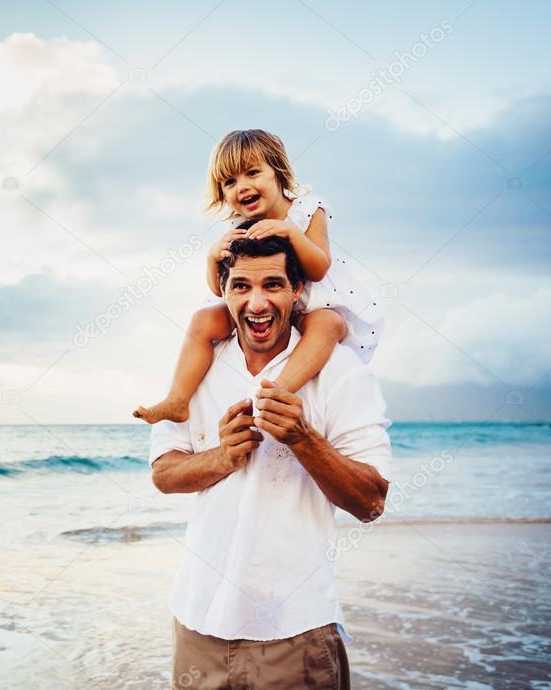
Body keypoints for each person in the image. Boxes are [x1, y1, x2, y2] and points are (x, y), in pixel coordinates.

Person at [149, 235, 392, 690]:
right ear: (222, 292)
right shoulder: (197, 367)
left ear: (296, 289)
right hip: (198, 623)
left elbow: (371, 501)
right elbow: (163, 472)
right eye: (240, 286)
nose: (256, 303)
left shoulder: (340, 371)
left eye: (273, 285)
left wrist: (303, 439)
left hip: (296, 632)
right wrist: (223, 456)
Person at [133, 129, 382, 424]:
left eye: (252, 173)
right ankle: (178, 400)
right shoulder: (240, 227)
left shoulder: (307, 210)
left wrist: (290, 232)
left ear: (277, 172)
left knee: (328, 325)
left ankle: (276, 393)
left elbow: (319, 267)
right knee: (204, 318)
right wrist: (212, 258)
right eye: (230, 182)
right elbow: (219, 291)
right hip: (262, 305)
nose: (243, 187)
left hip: (314, 302)